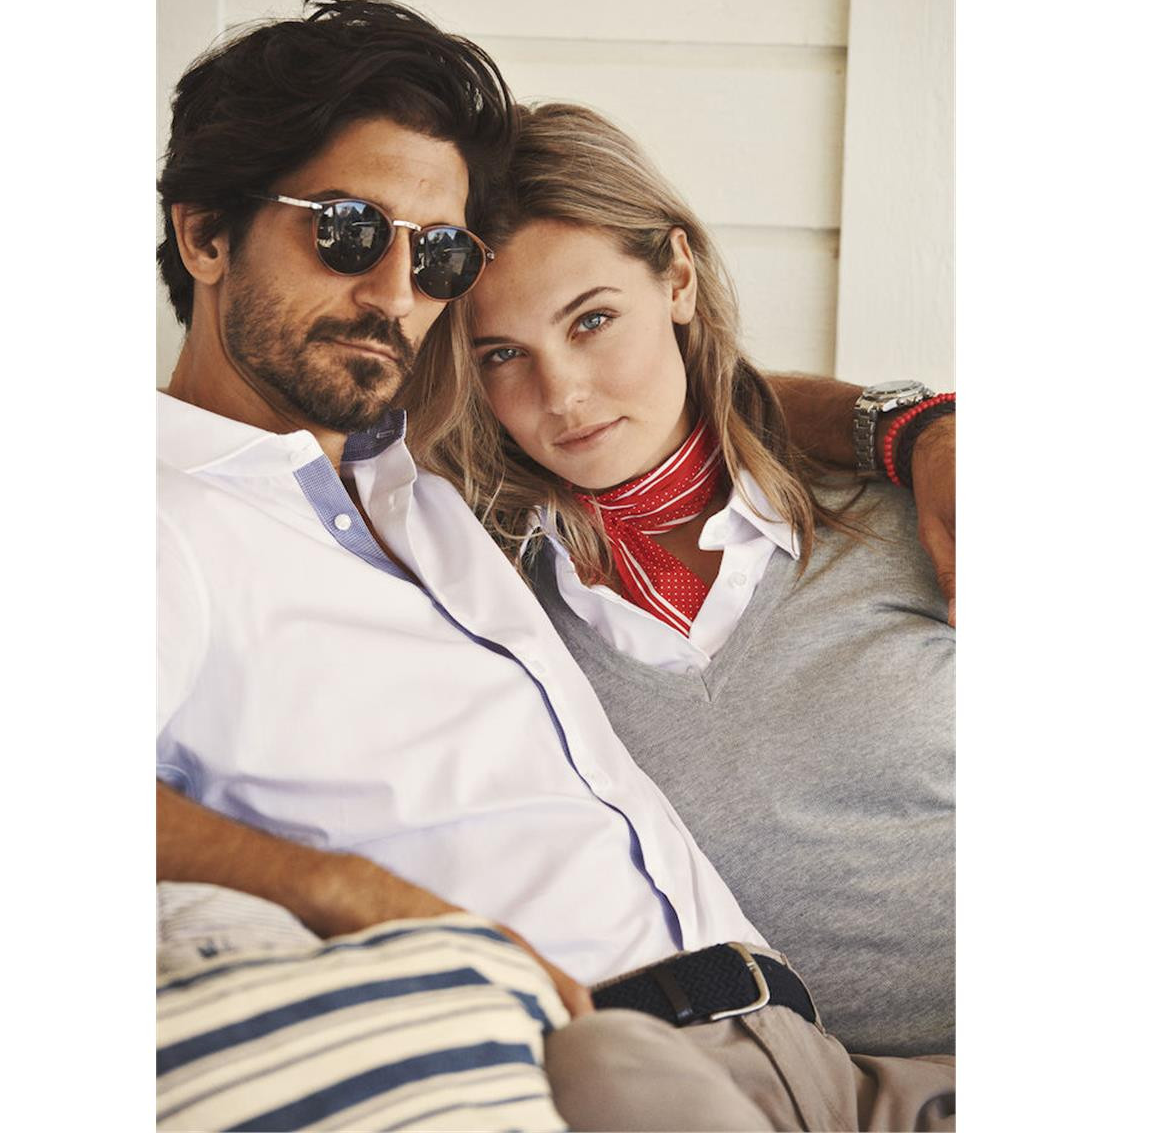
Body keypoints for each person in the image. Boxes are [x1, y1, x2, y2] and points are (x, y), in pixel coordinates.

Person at [157, 0, 955, 1129]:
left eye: (437, 255)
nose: (394, 293)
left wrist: (916, 428)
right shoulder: (154, 517)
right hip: (600, 1060)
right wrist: (360, 899)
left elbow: (688, 401)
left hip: (820, 1061)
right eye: (346, 231)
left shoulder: (426, 492)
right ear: (205, 235)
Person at [406, 101, 954, 1058]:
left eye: (593, 320)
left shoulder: (917, 513)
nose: (563, 395)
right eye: (503, 355)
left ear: (679, 278)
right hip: (745, 1088)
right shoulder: (491, 612)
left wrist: (921, 429)